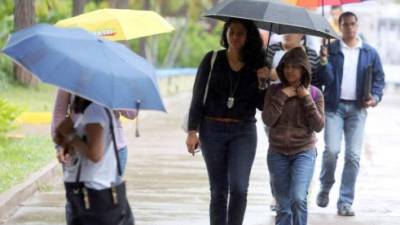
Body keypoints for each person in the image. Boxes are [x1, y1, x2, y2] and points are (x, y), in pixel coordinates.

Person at [185, 18, 270, 225]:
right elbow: (198, 97)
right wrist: (192, 131)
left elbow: (262, 106)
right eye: (231, 32)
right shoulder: (212, 59)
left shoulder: (258, 65)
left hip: (243, 131)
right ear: (225, 34)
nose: (235, 37)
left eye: (240, 33)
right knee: (218, 190)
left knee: (240, 188)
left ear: (248, 36)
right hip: (212, 129)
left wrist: (263, 82)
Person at [316, 11, 385, 216]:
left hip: (358, 109)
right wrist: (323, 62)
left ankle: (345, 201)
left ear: (358, 25)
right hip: (334, 108)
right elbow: (325, 81)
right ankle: (325, 186)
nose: (350, 28)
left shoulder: (369, 52)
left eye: (353, 24)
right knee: (331, 151)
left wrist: (375, 97)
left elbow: (379, 79)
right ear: (340, 26)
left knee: (353, 156)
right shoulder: (331, 49)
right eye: (345, 25)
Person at [262, 47, 324, 225]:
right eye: (287, 66)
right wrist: (281, 96)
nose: (290, 70)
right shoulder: (274, 92)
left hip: (304, 152)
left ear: (304, 69)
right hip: (277, 153)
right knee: (283, 205)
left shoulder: (315, 94)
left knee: (298, 198)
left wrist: (306, 99)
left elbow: (318, 126)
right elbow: (268, 120)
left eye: (295, 67)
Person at [55, 95, 134, 225]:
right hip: (88, 185)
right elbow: (60, 135)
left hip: (95, 188)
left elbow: (95, 154)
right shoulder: (82, 110)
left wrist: (70, 135)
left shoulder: (95, 111)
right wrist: (65, 135)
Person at [51, 89, 137, 174]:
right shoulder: (70, 77)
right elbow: (59, 113)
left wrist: (113, 95)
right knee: (77, 187)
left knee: (110, 188)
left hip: (114, 149)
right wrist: (60, 145)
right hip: (75, 148)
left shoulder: (116, 80)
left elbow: (132, 113)